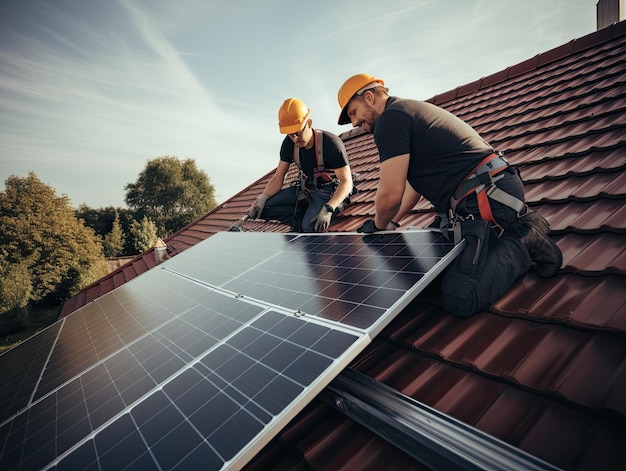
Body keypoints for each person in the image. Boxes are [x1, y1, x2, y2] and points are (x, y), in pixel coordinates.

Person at [336, 73, 563, 317]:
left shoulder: (390, 120)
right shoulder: (403, 112)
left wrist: (378, 224)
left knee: (460, 298)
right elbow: (412, 189)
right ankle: (526, 222)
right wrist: (391, 222)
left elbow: (390, 194)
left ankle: (524, 240)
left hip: (488, 196)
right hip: (491, 189)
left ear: (369, 97)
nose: (355, 123)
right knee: (436, 269)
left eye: (353, 113)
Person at [248, 98, 354, 232]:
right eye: (291, 135)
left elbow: (346, 182)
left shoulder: (331, 143)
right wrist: (262, 197)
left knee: (309, 227)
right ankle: (300, 219)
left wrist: (329, 208)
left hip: (329, 191)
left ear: (309, 123)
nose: (295, 139)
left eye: (298, 133)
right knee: (264, 208)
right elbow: (278, 177)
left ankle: (307, 221)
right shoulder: (289, 144)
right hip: (307, 189)